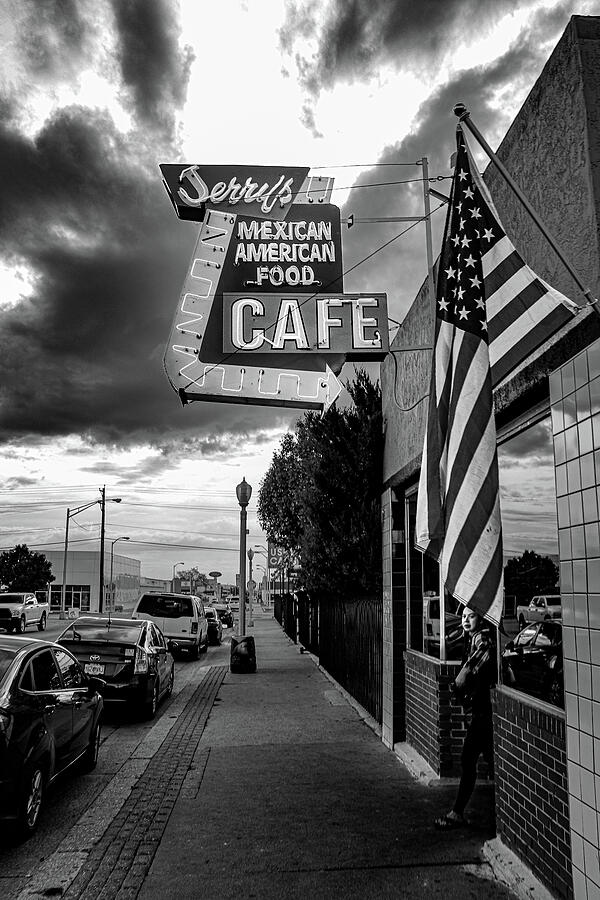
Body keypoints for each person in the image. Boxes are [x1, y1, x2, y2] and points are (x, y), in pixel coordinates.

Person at [434, 606, 496, 830]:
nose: (466, 620)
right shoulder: (468, 637)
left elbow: (483, 652)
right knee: (487, 759)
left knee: (469, 759)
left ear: (480, 618)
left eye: (471, 616)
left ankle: (457, 812)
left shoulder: (483, 637)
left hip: (484, 712)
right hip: (480, 710)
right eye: (464, 616)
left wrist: (461, 679)